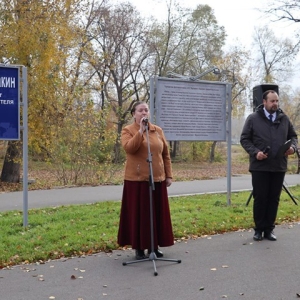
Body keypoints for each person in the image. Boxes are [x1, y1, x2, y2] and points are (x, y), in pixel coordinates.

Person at [117, 101, 174, 259]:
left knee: (155, 213)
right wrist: (141, 131)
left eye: (146, 110)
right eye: (140, 110)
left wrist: (168, 175)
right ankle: (140, 248)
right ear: (134, 114)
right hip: (137, 180)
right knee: (140, 215)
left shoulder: (157, 131)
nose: (144, 113)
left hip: (157, 179)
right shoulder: (128, 130)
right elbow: (129, 148)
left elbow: (165, 155)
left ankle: (154, 247)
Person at [240, 90, 298, 241]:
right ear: (264, 102)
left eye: (277, 101)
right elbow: (245, 139)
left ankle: (269, 230)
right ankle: (259, 230)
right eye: (272, 101)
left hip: (279, 165)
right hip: (260, 166)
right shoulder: (253, 118)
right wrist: (255, 152)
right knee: (260, 198)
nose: (275, 104)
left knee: (274, 198)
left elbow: (293, 137)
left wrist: (293, 148)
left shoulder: (284, 118)